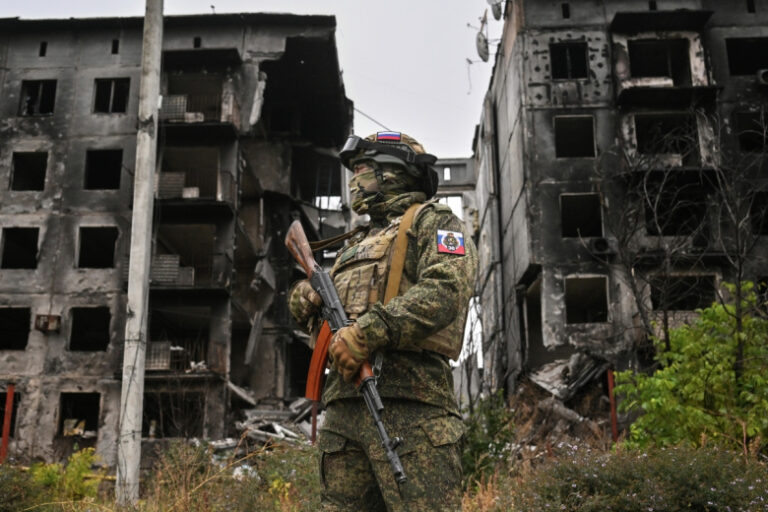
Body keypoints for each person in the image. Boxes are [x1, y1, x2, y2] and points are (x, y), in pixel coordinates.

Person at [288, 131, 477, 511]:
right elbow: (316, 303)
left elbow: (446, 289)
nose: (355, 180)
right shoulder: (355, 244)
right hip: (343, 410)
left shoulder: (433, 222)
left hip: (412, 407)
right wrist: (303, 296)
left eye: (361, 169)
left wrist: (368, 332)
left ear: (392, 172)